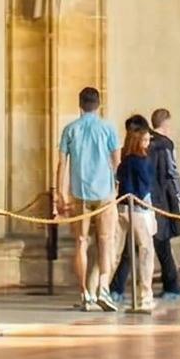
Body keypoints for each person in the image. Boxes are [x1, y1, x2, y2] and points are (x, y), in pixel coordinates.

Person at [54, 85, 122, 312]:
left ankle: (85, 293)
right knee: (106, 240)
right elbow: (116, 161)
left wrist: (59, 191)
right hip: (104, 192)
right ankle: (103, 286)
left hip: (80, 192)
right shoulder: (108, 128)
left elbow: (62, 163)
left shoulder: (70, 130)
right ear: (99, 104)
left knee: (81, 242)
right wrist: (115, 185)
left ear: (80, 104)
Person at [115, 124, 161, 313]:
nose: (148, 143)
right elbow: (144, 187)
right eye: (146, 140)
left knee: (115, 253)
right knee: (146, 251)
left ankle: (99, 290)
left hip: (122, 208)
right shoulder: (142, 161)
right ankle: (144, 296)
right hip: (138, 210)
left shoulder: (124, 161)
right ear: (140, 141)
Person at [150, 109, 180, 300]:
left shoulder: (150, 142)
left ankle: (171, 284)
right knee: (161, 242)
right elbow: (172, 173)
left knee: (159, 242)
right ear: (165, 123)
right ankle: (172, 285)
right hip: (162, 200)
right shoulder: (164, 144)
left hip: (153, 199)